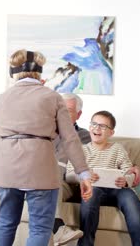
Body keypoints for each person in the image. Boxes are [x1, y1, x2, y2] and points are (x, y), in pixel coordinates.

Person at [0, 49, 93, 246]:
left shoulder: (4, 97)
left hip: (7, 170)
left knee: (6, 222)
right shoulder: (52, 97)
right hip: (40, 170)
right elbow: (70, 138)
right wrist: (84, 174)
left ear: (14, 72)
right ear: (40, 72)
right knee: (39, 228)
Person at [66, 110, 140, 246]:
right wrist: (83, 176)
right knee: (91, 194)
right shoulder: (81, 150)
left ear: (111, 133)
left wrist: (126, 180)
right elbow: (69, 175)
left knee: (131, 202)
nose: (97, 128)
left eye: (103, 126)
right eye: (94, 124)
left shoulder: (117, 149)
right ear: (89, 127)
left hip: (116, 189)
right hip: (93, 189)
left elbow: (129, 171)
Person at [52, 93, 91, 245]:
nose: (61, 113)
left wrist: (133, 167)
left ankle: (57, 228)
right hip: (40, 177)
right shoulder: (45, 131)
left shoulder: (85, 136)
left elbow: (103, 151)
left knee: (52, 181)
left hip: (65, 182)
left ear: (78, 114)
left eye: (67, 110)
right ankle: (57, 228)